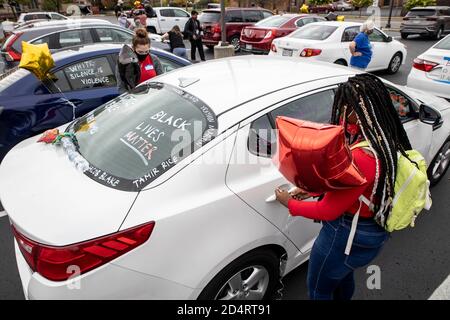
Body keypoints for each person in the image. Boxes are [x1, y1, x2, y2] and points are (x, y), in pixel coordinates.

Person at [275, 74, 413, 300]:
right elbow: (354, 187)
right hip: (370, 230)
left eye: (345, 105)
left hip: (346, 233)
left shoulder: (362, 157)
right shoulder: (383, 138)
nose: (339, 109)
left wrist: (288, 203)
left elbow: (328, 210)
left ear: (358, 112)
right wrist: (312, 190)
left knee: (319, 288)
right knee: (341, 275)